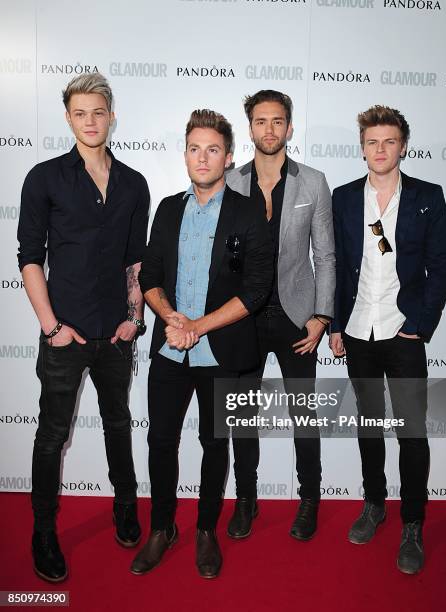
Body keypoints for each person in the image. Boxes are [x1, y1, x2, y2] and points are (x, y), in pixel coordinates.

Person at [17, 73, 150, 582]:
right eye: (80, 113)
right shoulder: (45, 178)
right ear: (68, 117)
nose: (91, 121)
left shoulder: (134, 184)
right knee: (51, 435)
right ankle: (43, 532)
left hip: (115, 336)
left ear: (112, 116)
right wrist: (52, 327)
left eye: (99, 112)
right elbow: (30, 259)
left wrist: (134, 320)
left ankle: (123, 507)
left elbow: (135, 262)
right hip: (65, 335)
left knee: (118, 425)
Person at [132, 109, 273, 579]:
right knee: (160, 441)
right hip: (171, 349)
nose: (202, 157)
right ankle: (162, 528)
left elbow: (255, 291)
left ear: (228, 158)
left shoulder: (249, 211)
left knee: (215, 443)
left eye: (212, 149)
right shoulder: (168, 209)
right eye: (194, 148)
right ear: (185, 154)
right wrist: (172, 317)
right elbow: (150, 277)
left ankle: (206, 530)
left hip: (222, 353)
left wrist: (200, 326)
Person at [330, 105, 446, 574]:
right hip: (359, 329)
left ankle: (413, 523)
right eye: (371, 141)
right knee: (368, 424)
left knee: (411, 431)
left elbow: (440, 266)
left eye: (389, 141)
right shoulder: (343, 198)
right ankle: (375, 504)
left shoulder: (428, 196)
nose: (380, 150)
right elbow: (338, 266)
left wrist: (421, 322)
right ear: (362, 147)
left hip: (404, 331)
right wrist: (336, 323)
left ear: (403, 145)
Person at [226, 90, 335, 541]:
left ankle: (309, 498)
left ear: (290, 128)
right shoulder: (231, 182)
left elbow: (325, 256)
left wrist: (321, 317)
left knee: (303, 416)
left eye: (278, 122)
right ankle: (246, 499)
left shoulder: (313, 181)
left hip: (296, 317)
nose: (269, 130)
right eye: (261, 121)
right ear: (249, 128)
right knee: (242, 415)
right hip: (244, 319)